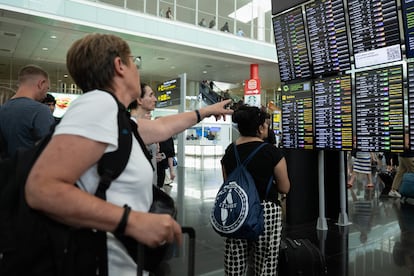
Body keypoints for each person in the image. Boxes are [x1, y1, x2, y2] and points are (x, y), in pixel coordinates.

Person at [25, 33, 233, 275]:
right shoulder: (97, 105)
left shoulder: (116, 116)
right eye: (134, 62)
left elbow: (162, 127)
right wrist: (131, 221)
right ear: (119, 65)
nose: (137, 70)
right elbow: (42, 187)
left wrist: (206, 111)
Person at [220, 104, 290, 275]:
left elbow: (227, 182)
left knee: (234, 261)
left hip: (236, 210)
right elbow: (284, 187)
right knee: (265, 261)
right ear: (260, 128)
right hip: (266, 211)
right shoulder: (272, 152)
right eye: (266, 124)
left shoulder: (230, 151)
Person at [0, 64, 54, 157]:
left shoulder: (3, 108)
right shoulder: (40, 110)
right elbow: (50, 148)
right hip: (31, 169)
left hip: (6, 169)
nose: (46, 95)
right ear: (41, 83)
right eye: (47, 88)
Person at [128, 83, 158, 186]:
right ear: (139, 100)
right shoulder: (129, 125)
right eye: (151, 95)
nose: (155, 99)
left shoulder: (141, 124)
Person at [389, 134, 414, 198]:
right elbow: (406, 144)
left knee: (400, 173)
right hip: (409, 156)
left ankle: (393, 190)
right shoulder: (407, 132)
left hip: (402, 155)